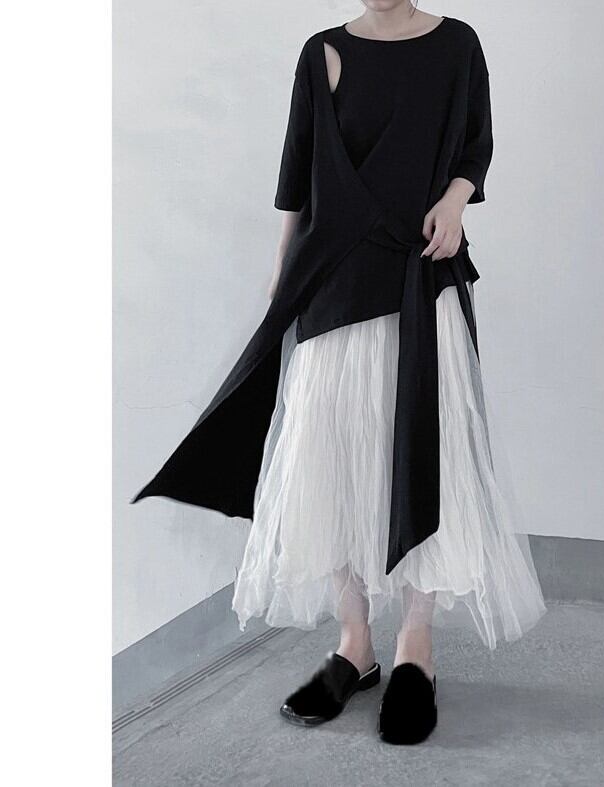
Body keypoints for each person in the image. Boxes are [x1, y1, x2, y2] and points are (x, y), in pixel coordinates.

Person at [134, 1, 545, 746]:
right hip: (334, 276)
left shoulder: (456, 44)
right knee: (328, 460)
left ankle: (415, 646)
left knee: (425, 454)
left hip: (419, 272)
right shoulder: (321, 51)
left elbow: (474, 143)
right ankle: (354, 644)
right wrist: (283, 267)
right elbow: (299, 168)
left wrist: (456, 201)